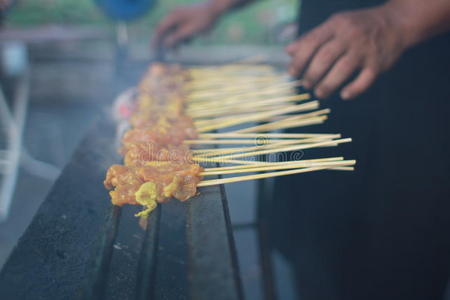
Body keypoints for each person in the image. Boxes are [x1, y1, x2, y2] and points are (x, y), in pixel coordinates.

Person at [154, 1, 450, 299]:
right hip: (324, 89)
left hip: (424, 107)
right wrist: (217, 6)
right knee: (315, 260)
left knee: (402, 270)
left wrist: (397, 19)